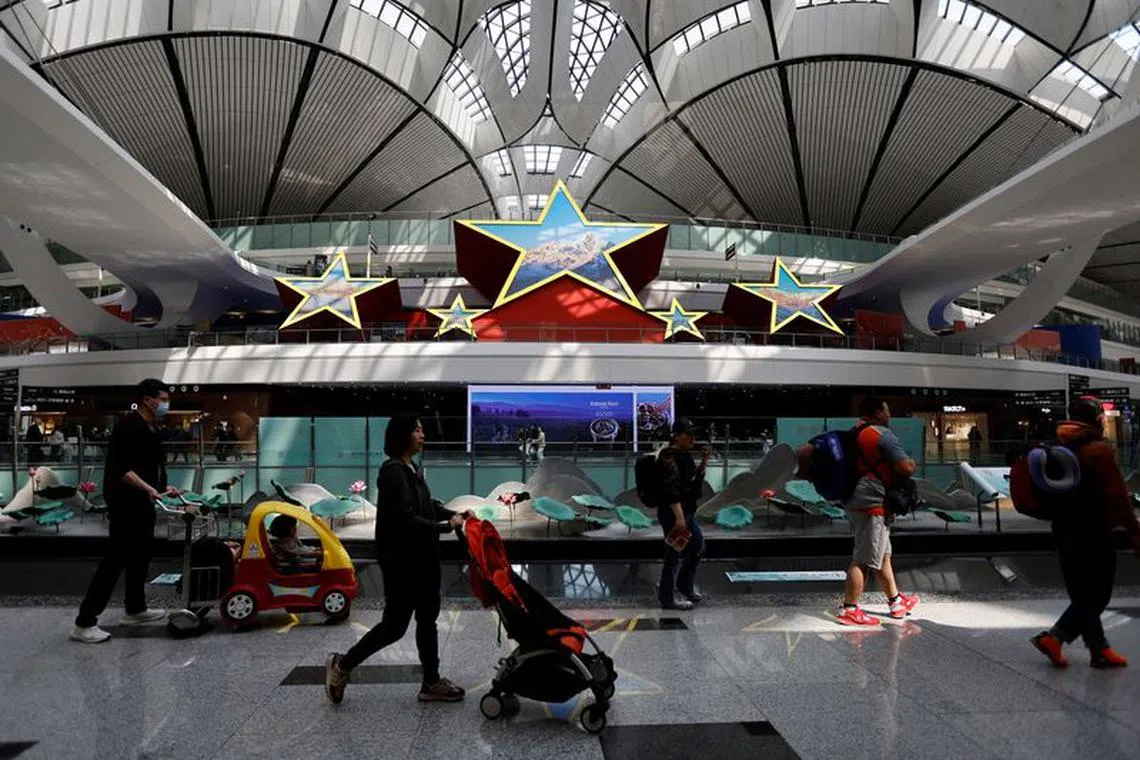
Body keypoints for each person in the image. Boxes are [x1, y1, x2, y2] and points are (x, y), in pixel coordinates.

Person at [325, 413, 469, 704]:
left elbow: (426, 506)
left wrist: (455, 514)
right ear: (403, 434)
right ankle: (342, 665)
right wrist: (444, 527)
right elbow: (405, 518)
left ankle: (431, 681)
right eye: (417, 430)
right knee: (394, 626)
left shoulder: (410, 469)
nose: (422, 435)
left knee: (427, 620)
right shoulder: (392, 472)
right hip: (404, 563)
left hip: (424, 560)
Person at [1031, 397, 1140, 669]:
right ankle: (1056, 638)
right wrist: (1135, 530)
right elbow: (1117, 496)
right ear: (1096, 420)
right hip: (1095, 531)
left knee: (1083, 595)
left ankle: (1097, 649)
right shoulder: (1098, 450)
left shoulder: (1059, 445)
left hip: (1063, 531)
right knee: (1098, 593)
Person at [71, 379, 176, 643]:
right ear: (148, 399)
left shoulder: (150, 428)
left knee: (140, 557)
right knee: (114, 560)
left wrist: (162, 488)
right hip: (127, 505)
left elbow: (150, 467)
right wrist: (147, 489)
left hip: (143, 503)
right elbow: (122, 469)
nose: (166, 404)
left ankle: (135, 609)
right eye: (162, 398)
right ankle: (84, 622)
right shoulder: (128, 427)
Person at [837, 396, 920, 627]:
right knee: (863, 559)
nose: (889, 415)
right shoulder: (881, 434)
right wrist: (912, 463)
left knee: (882, 554)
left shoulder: (854, 432)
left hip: (855, 497)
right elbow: (905, 467)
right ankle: (849, 609)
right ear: (878, 413)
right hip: (873, 503)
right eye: (887, 410)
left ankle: (895, 602)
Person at [656, 418, 710, 611]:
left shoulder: (684, 454)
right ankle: (667, 598)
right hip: (674, 514)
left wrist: (704, 462)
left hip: (687, 511)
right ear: (677, 435)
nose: (692, 438)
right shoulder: (668, 456)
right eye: (688, 434)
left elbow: (692, 483)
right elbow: (670, 490)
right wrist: (679, 517)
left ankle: (684, 586)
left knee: (697, 546)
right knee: (673, 555)